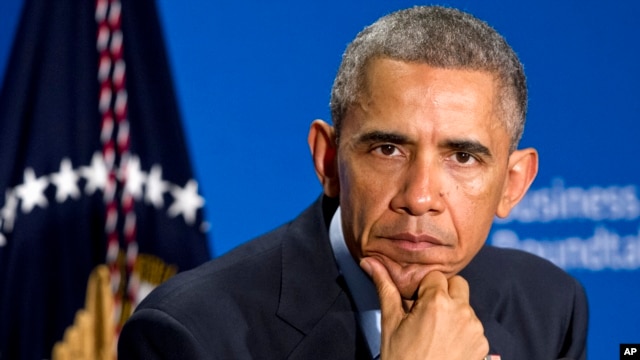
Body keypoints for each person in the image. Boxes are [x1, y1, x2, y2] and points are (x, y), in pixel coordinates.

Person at [118, 5, 588, 359]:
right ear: (327, 160)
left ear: (512, 183)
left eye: (462, 157)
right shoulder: (189, 333)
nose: (420, 197)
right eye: (388, 149)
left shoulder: (548, 306)